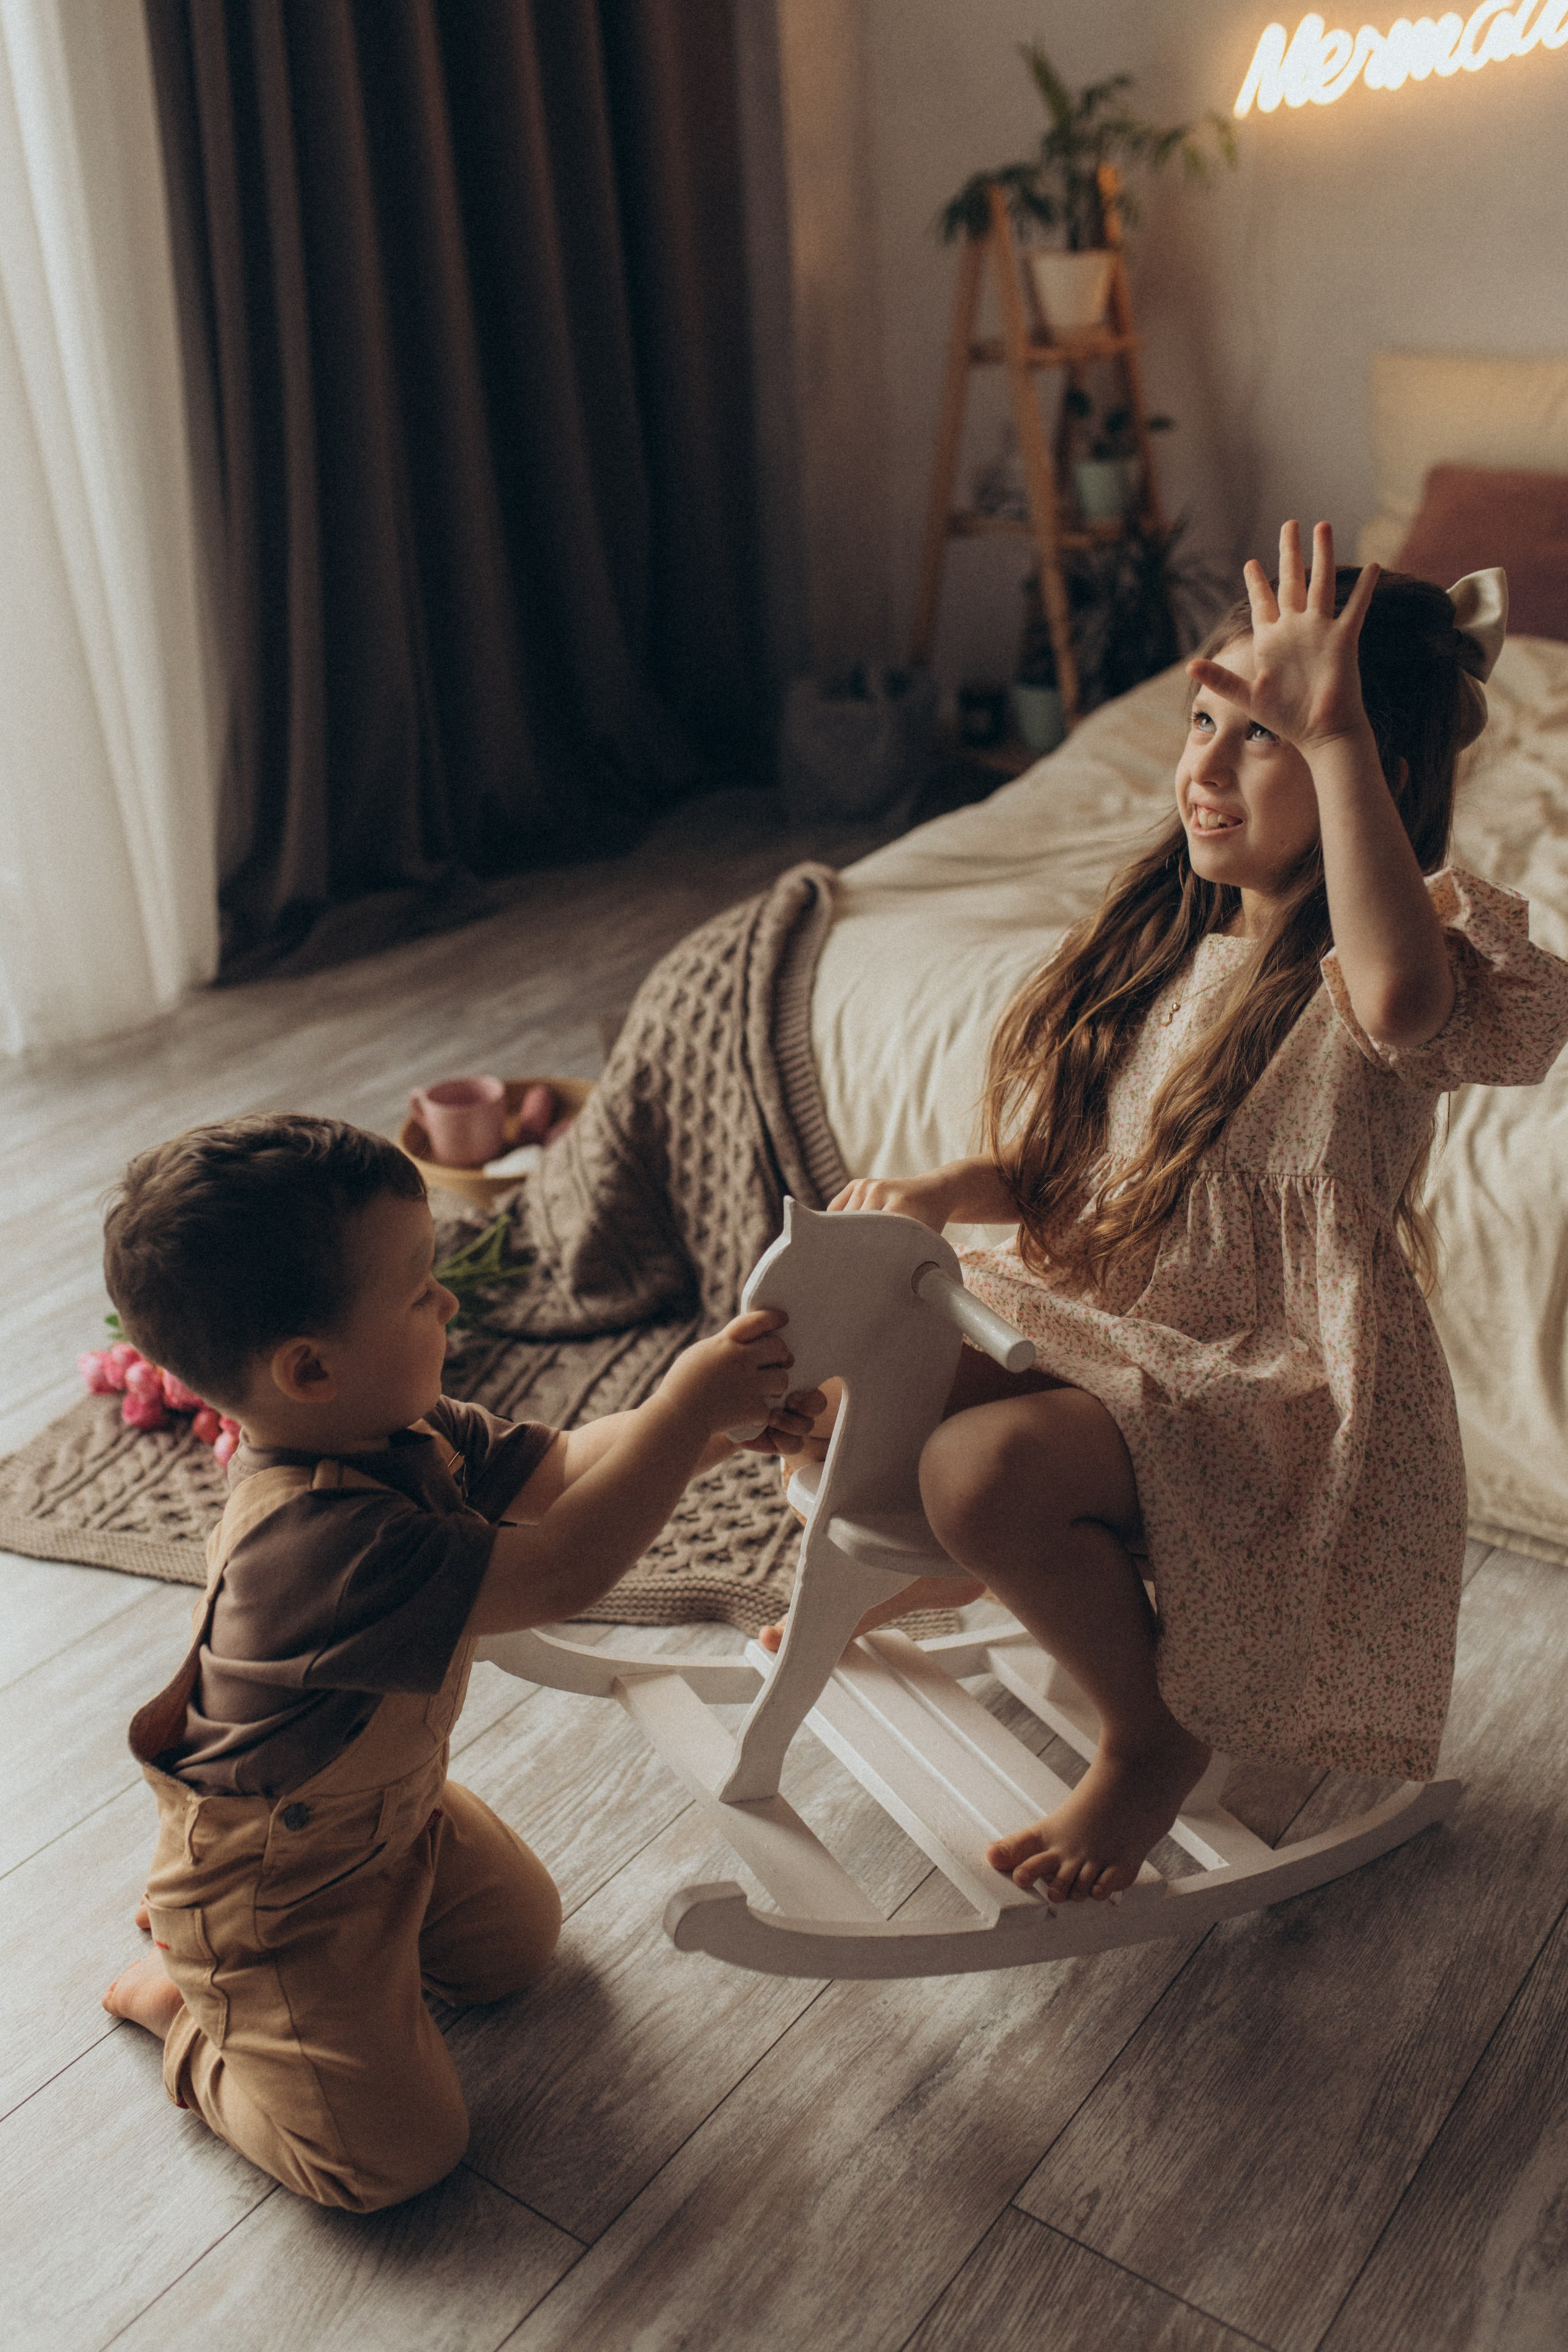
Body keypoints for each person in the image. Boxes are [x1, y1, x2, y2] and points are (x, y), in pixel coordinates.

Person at [788, 522, 1568, 1909]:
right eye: (1198, 724)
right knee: (858, 1368)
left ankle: (1147, 1735)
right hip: (1115, 1330)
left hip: (1263, 1394)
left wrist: (1326, 731)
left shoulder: (1399, 972)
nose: (1199, 770)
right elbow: (1070, 1172)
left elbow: (1396, 1001)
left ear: (1370, 772)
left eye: (1254, 741)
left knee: (977, 1471)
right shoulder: (1175, 945)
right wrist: (936, 1193)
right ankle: (957, 1561)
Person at [99, 1114, 820, 2211]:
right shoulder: (321, 1549)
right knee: (394, 2160)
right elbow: (565, 1566)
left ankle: (324, 1982)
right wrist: (686, 1411)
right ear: (310, 1368)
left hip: (395, 1819)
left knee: (518, 1951)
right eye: (422, 1286)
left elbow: (565, 1469)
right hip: (275, 1893)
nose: (446, 1303)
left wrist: (718, 1423)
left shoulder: (399, 1428)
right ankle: (196, 2019)